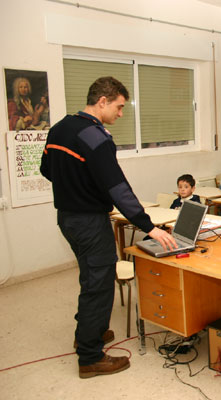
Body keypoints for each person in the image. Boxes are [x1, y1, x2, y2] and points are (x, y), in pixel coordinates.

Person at [40, 76, 177, 378]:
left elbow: (46, 169)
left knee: (90, 277)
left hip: (67, 218)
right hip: (89, 221)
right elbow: (117, 187)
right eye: (119, 106)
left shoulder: (60, 127)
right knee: (100, 284)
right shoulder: (95, 136)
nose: (120, 113)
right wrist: (147, 225)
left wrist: (75, 189)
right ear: (102, 101)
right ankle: (90, 357)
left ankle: (88, 333)